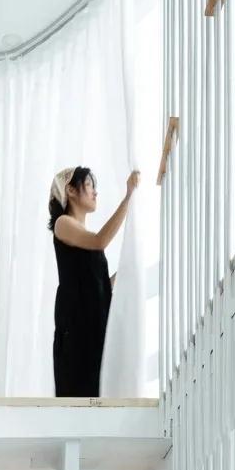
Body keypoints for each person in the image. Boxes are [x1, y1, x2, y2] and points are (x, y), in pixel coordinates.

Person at [49, 166, 140, 398]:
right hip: (76, 331)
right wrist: (128, 197)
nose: (95, 192)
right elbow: (100, 241)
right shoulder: (63, 223)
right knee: (79, 395)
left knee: (96, 393)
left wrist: (127, 272)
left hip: (92, 327)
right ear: (70, 190)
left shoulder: (83, 236)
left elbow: (98, 287)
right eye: (89, 184)